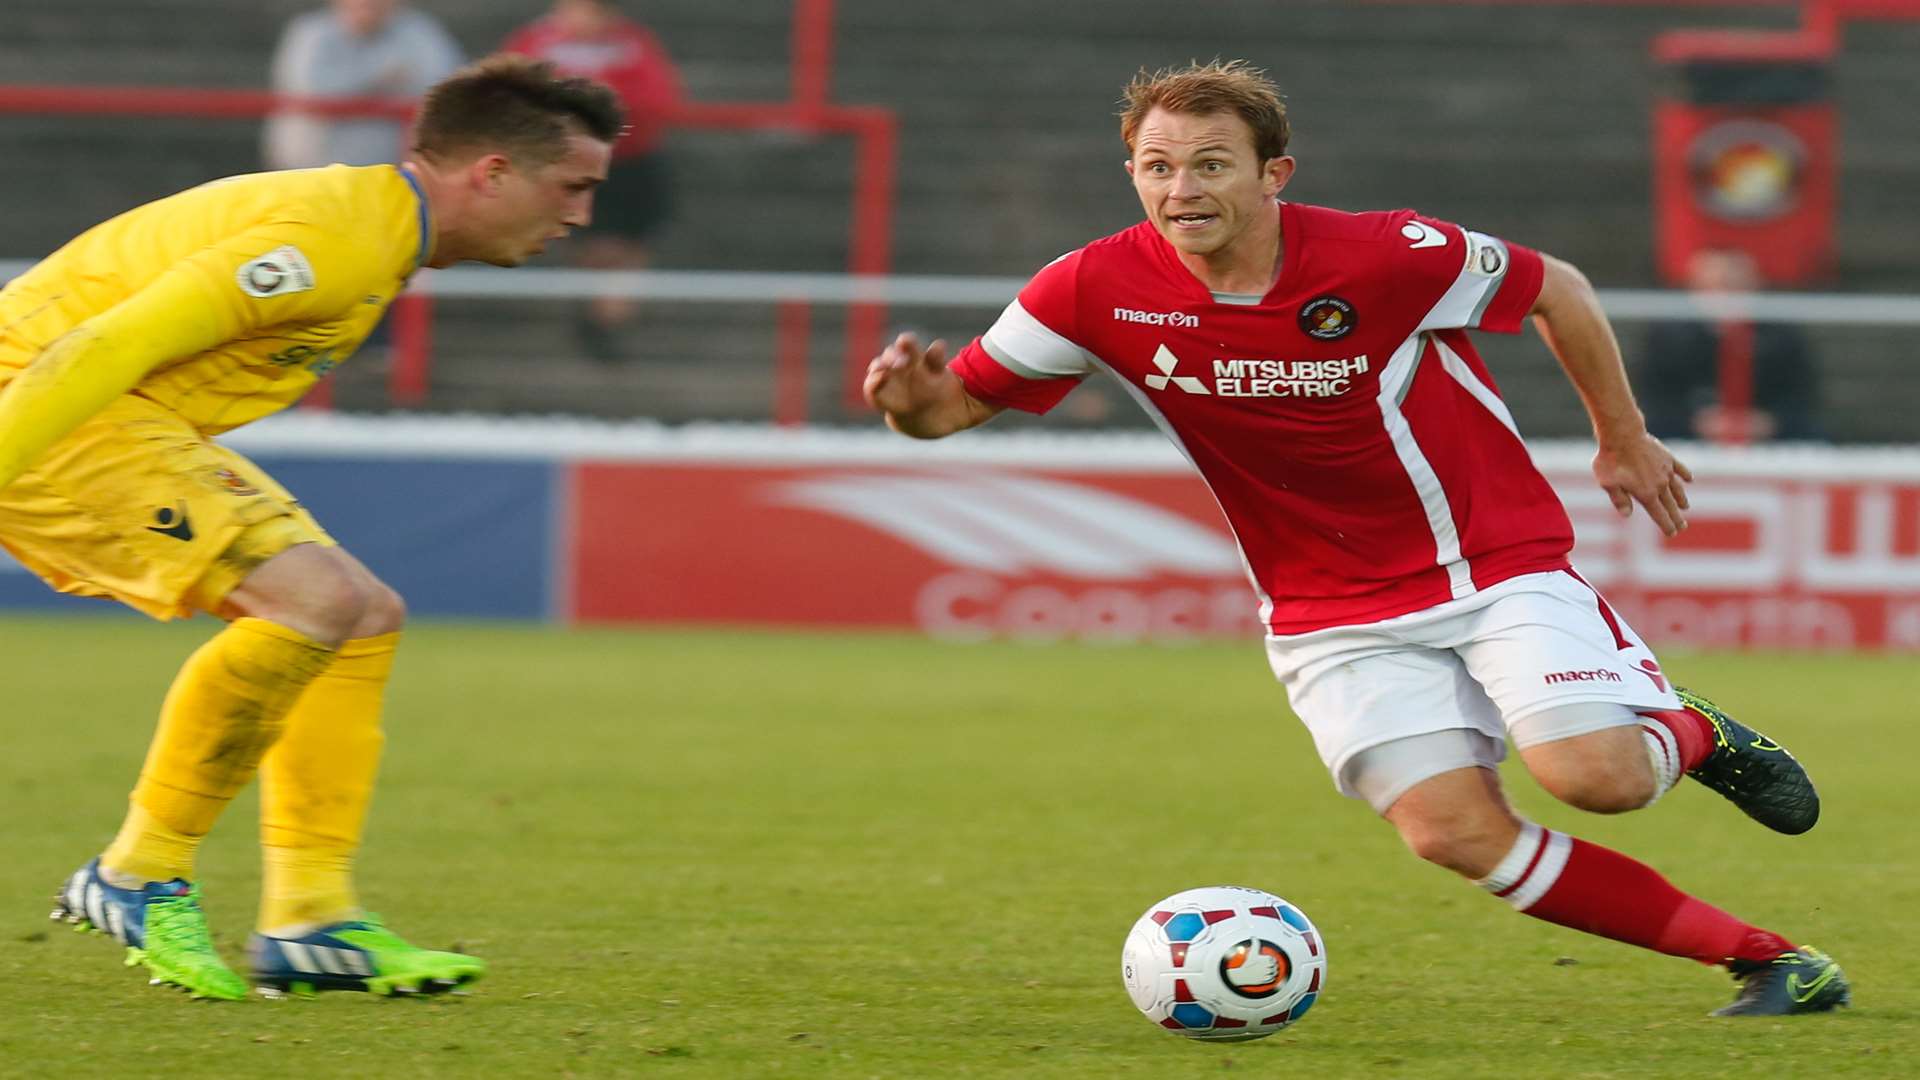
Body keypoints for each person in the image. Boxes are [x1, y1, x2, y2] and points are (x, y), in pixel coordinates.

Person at [864, 60, 1847, 1017]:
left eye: (1211, 163)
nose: (1182, 188)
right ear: (1131, 173)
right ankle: (1772, 963)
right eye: (1159, 166)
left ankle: (1697, 732)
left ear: (1272, 174)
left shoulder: (1385, 254)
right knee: (1457, 836)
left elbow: (1560, 289)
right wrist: (910, 408)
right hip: (1328, 612)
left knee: (1596, 778)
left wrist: (1622, 438)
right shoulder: (1091, 287)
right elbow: (951, 407)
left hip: (1490, 563)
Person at [0, 55, 622, 1000]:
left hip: (108, 412)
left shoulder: (375, 229)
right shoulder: (334, 239)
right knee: (311, 600)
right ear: (491, 174)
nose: (578, 217)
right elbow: (108, 342)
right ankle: (135, 873)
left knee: (363, 616)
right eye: (571, 187)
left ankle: (309, 919)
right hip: (52, 402)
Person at [503, 0, 683, 361]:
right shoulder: (536, 43)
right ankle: (596, 318)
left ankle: (609, 321)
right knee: (591, 247)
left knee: (626, 249)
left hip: (627, 162)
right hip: (563, 165)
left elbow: (659, 99)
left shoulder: (633, 45)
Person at [1640, 248, 1825, 443]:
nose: (1725, 296)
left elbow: (1803, 399)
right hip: (1686, 440)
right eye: (1714, 286)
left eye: (1735, 286)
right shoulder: (1667, 339)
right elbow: (1653, 401)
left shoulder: (1782, 337)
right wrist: (1695, 421)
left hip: (1771, 444)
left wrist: (1768, 422)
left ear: (1756, 285)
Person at [264, 0, 465, 171]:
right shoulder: (311, 32)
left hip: (390, 175)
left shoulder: (419, 31)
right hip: (310, 170)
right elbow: (312, 90)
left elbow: (445, 85)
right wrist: (378, 78)